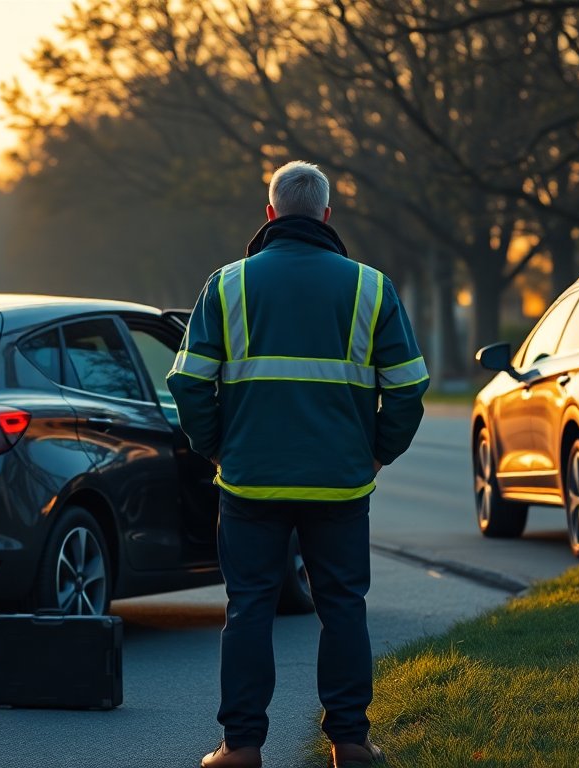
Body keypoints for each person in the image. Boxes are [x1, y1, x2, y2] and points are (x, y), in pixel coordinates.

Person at [167, 161, 428, 768]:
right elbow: (411, 387)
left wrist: (215, 446)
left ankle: (241, 748)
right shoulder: (371, 287)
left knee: (249, 608)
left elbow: (187, 383)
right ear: (327, 216)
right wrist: (378, 450)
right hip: (340, 483)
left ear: (271, 214)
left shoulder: (227, 285)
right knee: (342, 607)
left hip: (250, 481)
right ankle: (350, 742)